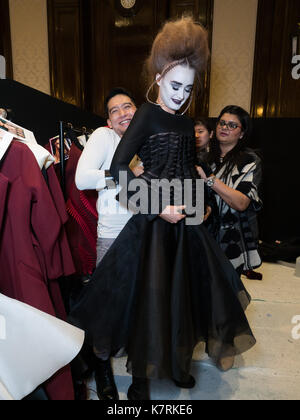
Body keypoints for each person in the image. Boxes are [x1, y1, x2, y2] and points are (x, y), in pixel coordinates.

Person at [69, 17, 256, 401]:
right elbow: (120, 170)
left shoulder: (188, 124)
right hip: (151, 224)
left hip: (186, 227)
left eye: (188, 89)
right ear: (157, 79)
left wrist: (197, 206)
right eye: (174, 86)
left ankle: (177, 363)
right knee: (148, 300)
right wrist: (159, 207)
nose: (181, 95)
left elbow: (187, 170)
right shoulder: (145, 116)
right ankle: (140, 380)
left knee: (181, 296)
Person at [74, 87, 142, 400]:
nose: (123, 113)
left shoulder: (147, 139)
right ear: (108, 119)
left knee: (142, 302)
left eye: (128, 106)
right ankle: (102, 368)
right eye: (115, 110)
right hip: (114, 232)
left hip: (145, 231)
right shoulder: (105, 137)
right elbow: (82, 179)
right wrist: (123, 175)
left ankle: (141, 370)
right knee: (107, 306)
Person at [196, 105, 262, 277]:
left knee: (228, 293)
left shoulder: (250, 161)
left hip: (233, 238)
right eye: (222, 123)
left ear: (242, 133)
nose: (225, 127)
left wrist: (210, 179)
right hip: (205, 234)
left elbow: (241, 202)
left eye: (232, 125)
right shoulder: (204, 158)